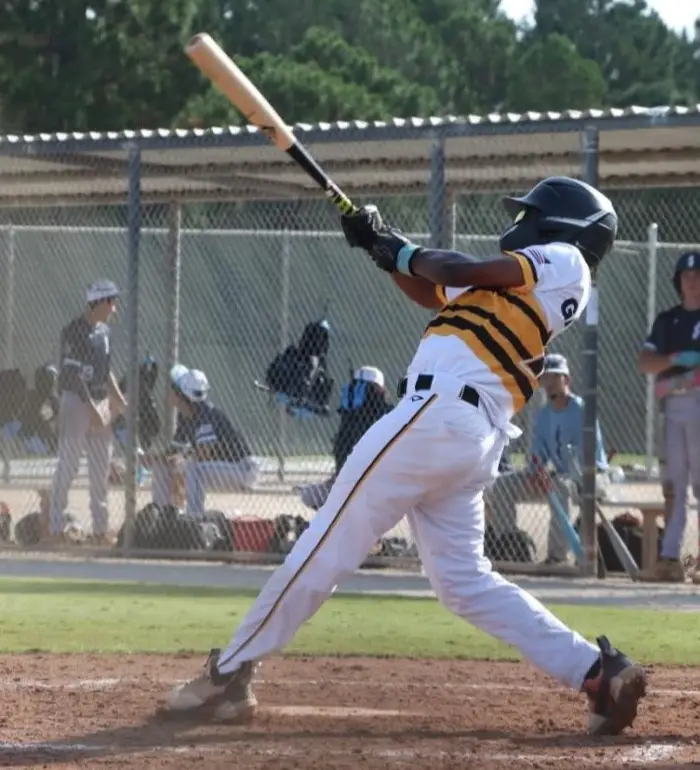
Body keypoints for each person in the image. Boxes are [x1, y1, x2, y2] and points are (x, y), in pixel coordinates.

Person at [165, 176, 646, 735]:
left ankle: (230, 671)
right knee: (463, 582)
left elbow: (457, 267)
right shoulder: (504, 293)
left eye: (530, 214)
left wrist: (404, 250)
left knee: (328, 540)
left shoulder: (566, 261)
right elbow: (433, 287)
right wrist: (380, 246)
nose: (519, 222)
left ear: (562, 223)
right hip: (463, 436)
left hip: (437, 417)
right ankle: (596, 673)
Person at [484, 353, 609, 564]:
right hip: (555, 476)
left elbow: (590, 458)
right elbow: (537, 453)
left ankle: (556, 556)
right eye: (545, 378)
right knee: (503, 484)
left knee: (560, 487)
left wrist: (558, 475)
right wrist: (536, 471)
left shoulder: (581, 411)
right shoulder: (544, 415)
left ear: (567, 380)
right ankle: (509, 545)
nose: (548, 383)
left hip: (588, 476)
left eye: (554, 377)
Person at [637, 250, 700, 583]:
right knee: (675, 486)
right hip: (674, 408)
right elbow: (646, 362)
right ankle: (671, 558)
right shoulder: (668, 320)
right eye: (687, 277)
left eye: (698, 276)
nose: (692, 282)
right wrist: (677, 360)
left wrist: (682, 376)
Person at [48, 280, 126, 544]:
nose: (114, 308)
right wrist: (91, 408)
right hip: (76, 401)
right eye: (111, 302)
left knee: (101, 470)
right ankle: (55, 526)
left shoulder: (105, 332)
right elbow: (72, 374)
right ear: (99, 302)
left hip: (100, 401)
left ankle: (100, 531)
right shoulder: (73, 331)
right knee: (68, 465)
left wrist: (119, 400)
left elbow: (106, 371)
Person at [147, 365, 260, 515]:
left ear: (181, 395)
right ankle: (163, 515)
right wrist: (150, 459)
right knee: (162, 467)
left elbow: (204, 454)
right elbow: (172, 453)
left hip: (242, 470)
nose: (168, 391)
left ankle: (194, 517)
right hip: (219, 468)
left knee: (193, 469)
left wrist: (182, 461)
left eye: (173, 388)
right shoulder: (185, 416)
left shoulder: (205, 414)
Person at [295, 365, 393, 511]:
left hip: (348, 478)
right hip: (374, 479)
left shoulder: (348, 411)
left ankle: (339, 507)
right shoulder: (384, 409)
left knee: (309, 496)